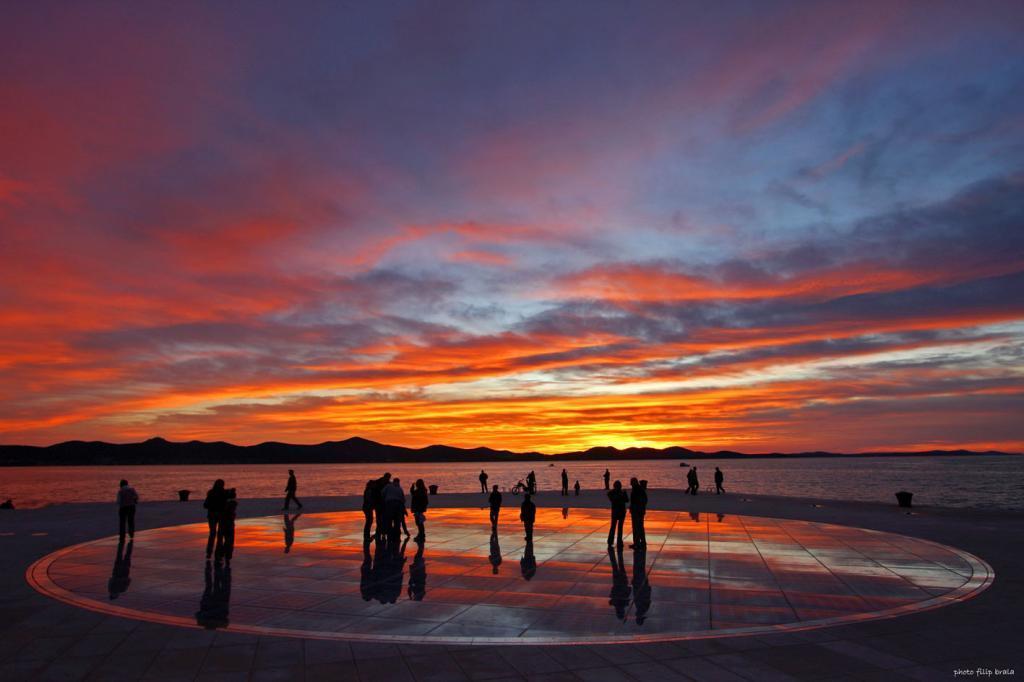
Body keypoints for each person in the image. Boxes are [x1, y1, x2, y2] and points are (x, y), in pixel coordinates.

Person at [203, 479, 228, 559]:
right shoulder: (221, 493)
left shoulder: (213, 492)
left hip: (215, 516)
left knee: (214, 534)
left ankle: (212, 552)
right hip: (216, 516)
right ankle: (215, 552)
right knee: (217, 534)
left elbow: (205, 505)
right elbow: (206, 505)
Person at [215, 489, 237, 566]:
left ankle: (222, 554)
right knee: (229, 540)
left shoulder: (225, 503)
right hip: (228, 523)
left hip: (223, 523)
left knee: (223, 539)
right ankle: (227, 555)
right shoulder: (232, 503)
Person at [607, 480, 628, 547]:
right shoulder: (612, 493)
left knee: (619, 527)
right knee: (614, 527)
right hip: (616, 512)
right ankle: (611, 541)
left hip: (621, 512)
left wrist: (623, 495)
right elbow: (612, 498)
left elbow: (627, 500)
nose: (619, 487)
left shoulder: (622, 492)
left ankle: (618, 541)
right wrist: (620, 495)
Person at [629, 477, 647, 549]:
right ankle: (639, 542)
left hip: (637, 512)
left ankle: (639, 543)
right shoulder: (638, 489)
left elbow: (643, 500)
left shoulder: (638, 490)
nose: (631, 484)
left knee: (638, 527)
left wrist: (638, 507)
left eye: (631, 482)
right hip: (637, 511)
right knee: (638, 527)